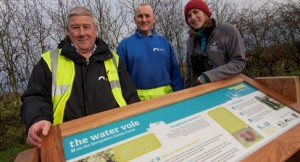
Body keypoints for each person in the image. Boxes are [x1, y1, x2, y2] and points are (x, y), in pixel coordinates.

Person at [20, 6, 140, 148]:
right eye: (75, 27)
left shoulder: (113, 59)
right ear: (68, 31)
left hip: (116, 137)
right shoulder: (49, 61)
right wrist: (38, 119)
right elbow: (35, 97)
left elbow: (131, 97)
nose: (82, 33)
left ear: (96, 29)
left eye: (87, 27)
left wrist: (140, 121)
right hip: (68, 143)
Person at [117, 3, 184, 101]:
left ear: (154, 18)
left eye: (147, 16)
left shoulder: (164, 42)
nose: (144, 20)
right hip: (138, 102)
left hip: (168, 99)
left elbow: (176, 75)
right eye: (140, 16)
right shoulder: (124, 45)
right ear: (135, 19)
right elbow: (121, 80)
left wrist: (179, 96)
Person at [184, 0, 246, 88]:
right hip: (199, 92)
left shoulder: (228, 31)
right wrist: (186, 92)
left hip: (224, 89)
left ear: (205, 13)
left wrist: (210, 76)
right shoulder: (190, 40)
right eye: (189, 16)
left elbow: (238, 62)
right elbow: (189, 70)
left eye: (196, 12)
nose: (193, 17)